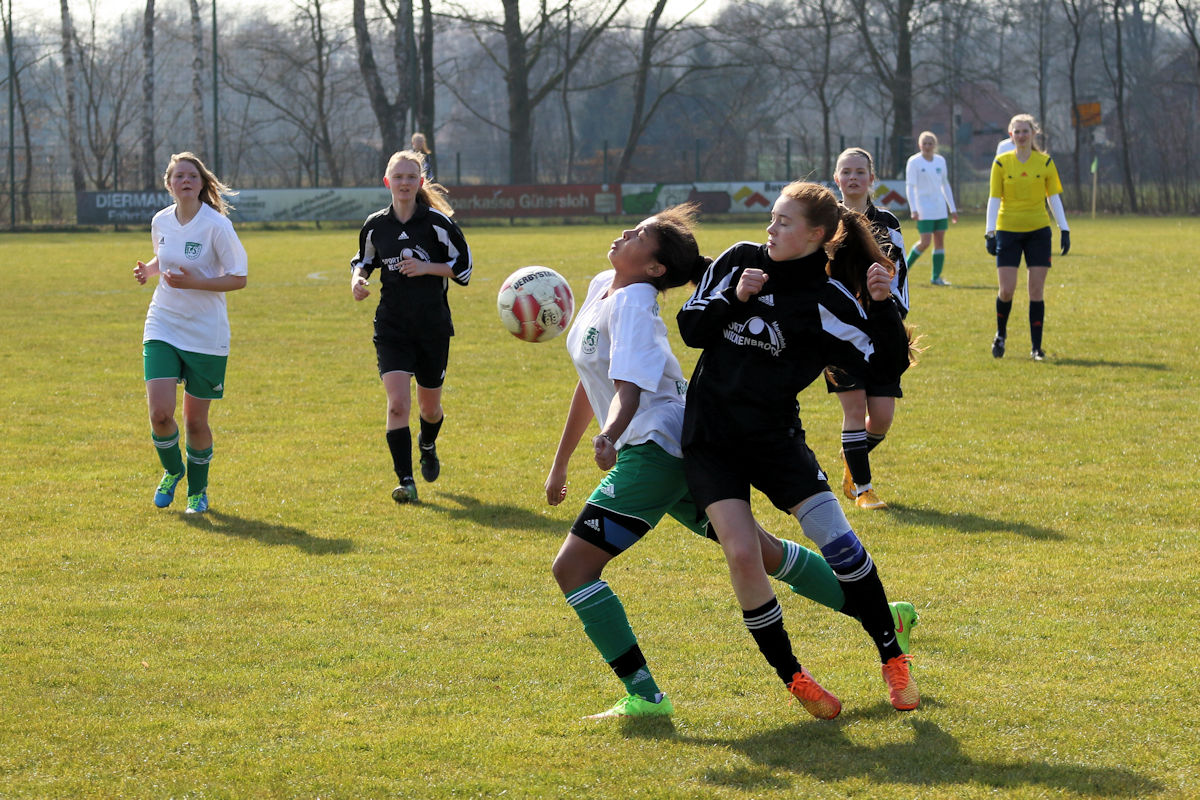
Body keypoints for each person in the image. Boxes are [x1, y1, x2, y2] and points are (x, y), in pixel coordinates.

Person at [546, 205, 921, 720]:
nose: (625, 231)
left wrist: (609, 436)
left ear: (655, 269)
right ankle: (877, 620)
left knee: (572, 567)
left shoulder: (634, 302)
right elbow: (599, 376)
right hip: (696, 441)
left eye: (639, 234)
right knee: (756, 555)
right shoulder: (603, 286)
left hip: (660, 446)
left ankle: (647, 697)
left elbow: (628, 387)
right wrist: (561, 460)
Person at [678, 181, 921, 714]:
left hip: (774, 441)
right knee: (742, 555)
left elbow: (885, 365)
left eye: (784, 222)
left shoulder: (827, 299)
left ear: (815, 235)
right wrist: (733, 296)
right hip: (710, 437)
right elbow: (691, 328)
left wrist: (882, 305)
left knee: (838, 544)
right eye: (771, 217)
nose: (770, 228)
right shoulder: (739, 261)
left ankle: (892, 659)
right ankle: (794, 677)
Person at [350, 149, 471, 503]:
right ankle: (406, 481)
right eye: (398, 177)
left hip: (432, 327)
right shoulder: (376, 225)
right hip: (392, 328)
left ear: (420, 182)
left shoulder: (437, 223)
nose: (404, 183)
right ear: (387, 182)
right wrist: (357, 280)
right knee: (398, 404)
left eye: (410, 177)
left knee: (429, 409)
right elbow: (364, 260)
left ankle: (428, 443)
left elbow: (463, 267)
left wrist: (425, 267)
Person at [133, 151, 248, 515]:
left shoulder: (216, 226)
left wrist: (199, 281)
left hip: (205, 333)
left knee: (196, 421)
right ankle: (172, 471)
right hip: (163, 323)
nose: (185, 181)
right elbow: (165, 255)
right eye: (178, 176)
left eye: (192, 176)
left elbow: (239, 277)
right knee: (160, 414)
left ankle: (198, 492)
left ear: (202, 184)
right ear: (169, 185)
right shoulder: (161, 221)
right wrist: (150, 271)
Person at [829, 147, 910, 511]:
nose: (853, 178)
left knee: (881, 417)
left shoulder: (888, 223)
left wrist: (894, 310)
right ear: (836, 178)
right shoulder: (825, 222)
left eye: (860, 172)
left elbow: (900, 275)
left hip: (881, 328)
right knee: (853, 406)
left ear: (871, 179)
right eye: (846, 171)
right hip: (838, 331)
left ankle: (851, 460)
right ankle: (864, 490)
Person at [985, 113, 1070, 361]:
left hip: (1038, 232)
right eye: (1017, 131)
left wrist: (1064, 228)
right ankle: (1000, 335)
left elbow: (1053, 198)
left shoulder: (1044, 163)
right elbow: (993, 199)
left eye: (1026, 131)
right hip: (1008, 231)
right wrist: (990, 232)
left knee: (1036, 290)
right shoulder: (1001, 163)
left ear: (1034, 134)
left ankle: (1036, 348)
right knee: (1007, 290)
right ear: (1010, 135)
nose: (1022, 136)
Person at [904, 131, 958, 286]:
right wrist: (913, 209)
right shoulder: (914, 162)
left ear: (935, 145)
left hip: (939, 208)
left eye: (930, 143)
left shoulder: (940, 161)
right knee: (925, 241)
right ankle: (903, 270)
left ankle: (936, 277)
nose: (927, 146)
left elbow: (945, 184)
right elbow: (910, 186)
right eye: (924, 143)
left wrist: (952, 208)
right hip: (923, 209)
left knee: (939, 241)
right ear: (919, 145)